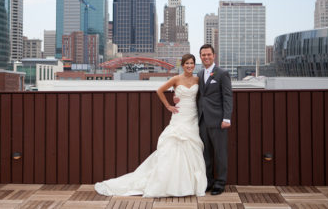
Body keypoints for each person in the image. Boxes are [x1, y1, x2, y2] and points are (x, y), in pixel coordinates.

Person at [94, 54, 207, 197]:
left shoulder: (197, 79)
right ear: (183, 65)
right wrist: (168, 105)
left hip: (192, 117)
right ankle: (168, 183)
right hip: (179, 116)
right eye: (187, 64)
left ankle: (189, 185)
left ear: (194, 65)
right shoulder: (176, 79)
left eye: (192, 63)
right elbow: (159, 91)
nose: (189, 66)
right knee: (172, 147)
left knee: (192, 148)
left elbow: (201, 96)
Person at [197, 44, 232, 195]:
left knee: (220, 153)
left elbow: (228, 97)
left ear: (214, 55)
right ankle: (209, 181)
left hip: (218, 120)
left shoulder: (222, 73)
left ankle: (220, 182)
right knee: (206, 154)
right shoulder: (199, 74)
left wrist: (227, 118)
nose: (206, 57)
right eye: (203, 55)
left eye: (208, 54)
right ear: (200, 57)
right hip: (202, 120)